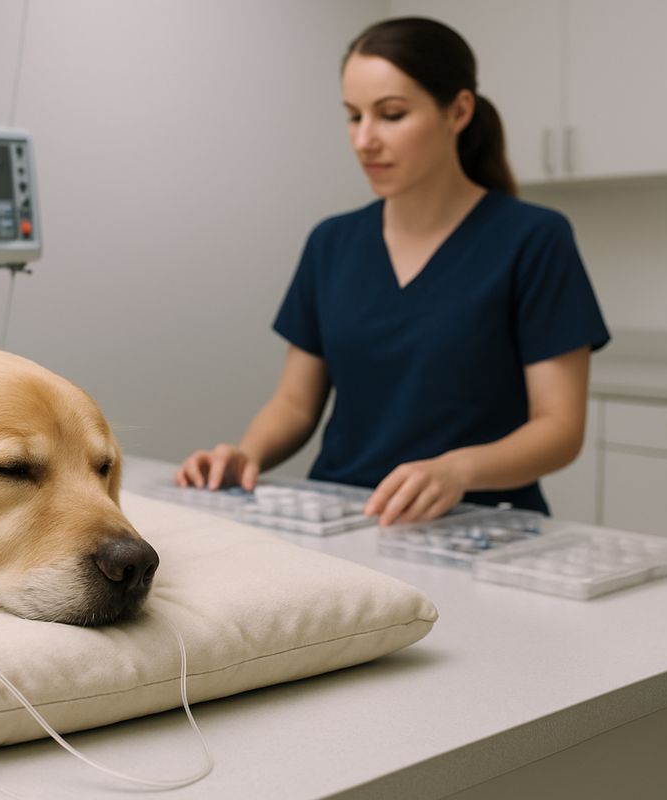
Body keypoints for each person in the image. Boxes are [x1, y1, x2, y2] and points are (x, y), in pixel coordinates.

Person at [175, 17, 609, 526]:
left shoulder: (534, 240)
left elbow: (558, 428)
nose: (365, 140)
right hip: (340, 521)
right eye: (353, 116)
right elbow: (295, 403)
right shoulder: (331, 243)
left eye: (391, 115)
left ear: (459, 111)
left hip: (478, 527)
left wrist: (457, 471)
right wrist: (247, 454)